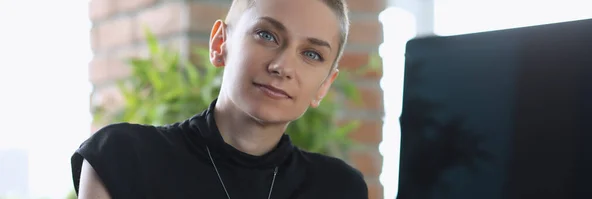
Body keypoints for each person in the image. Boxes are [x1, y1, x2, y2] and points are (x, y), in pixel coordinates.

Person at [71, 0, 369, 198]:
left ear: (324, 85)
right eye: (267, 35)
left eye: (311, 54)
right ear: (220, 42)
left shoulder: (339, 188)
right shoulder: (121, 158)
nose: (282, 67)